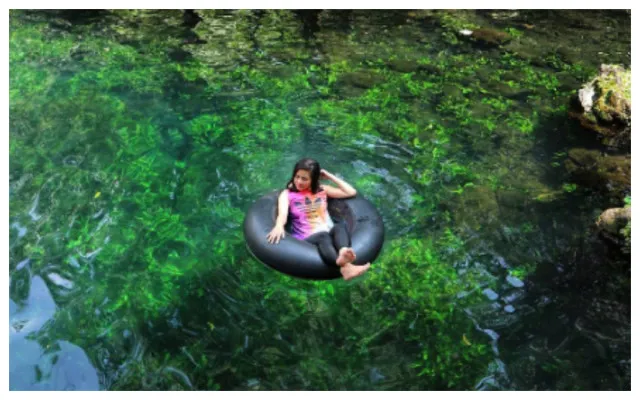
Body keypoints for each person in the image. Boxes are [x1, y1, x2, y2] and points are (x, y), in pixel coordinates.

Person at [266, 158, 371, 280]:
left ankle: (343, 252)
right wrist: (279, 226)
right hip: (307, 239)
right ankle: (345, 266)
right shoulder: (288, 194)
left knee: (339, 226)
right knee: (323, 236)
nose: (299, 181)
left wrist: (330, 176)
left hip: (327, 231)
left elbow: (351, 192)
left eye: (304, 179)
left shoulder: (322, 190)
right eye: (297, 177)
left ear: (313, 179)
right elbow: (282, 214)